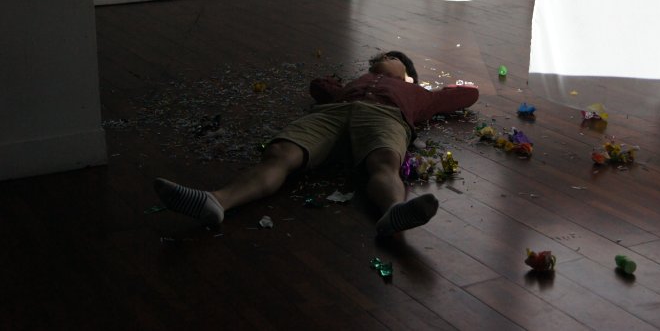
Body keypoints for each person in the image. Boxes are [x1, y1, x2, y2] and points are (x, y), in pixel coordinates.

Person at [154, 51, 479, 236]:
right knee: (280, 154)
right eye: (378, 59)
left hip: (385, 116)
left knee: (384, 162)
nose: (381, 59)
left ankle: (393, 211)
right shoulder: (357, 82)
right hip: (332, 114)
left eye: (390, 57)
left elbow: (467, 94)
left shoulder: (418, 94)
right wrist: (351, 83)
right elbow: (319, 86)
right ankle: (217, 201)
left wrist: (412, 84)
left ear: (407, 73)